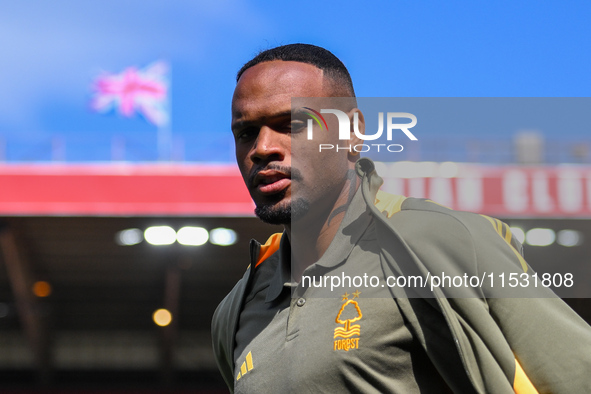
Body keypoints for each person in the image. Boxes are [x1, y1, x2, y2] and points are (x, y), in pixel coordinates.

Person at [211, 43, 591, 393]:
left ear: (352, 134)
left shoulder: (440, 242)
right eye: (245, 133)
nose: (262, 148)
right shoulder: (238, 310)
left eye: (291, 125)